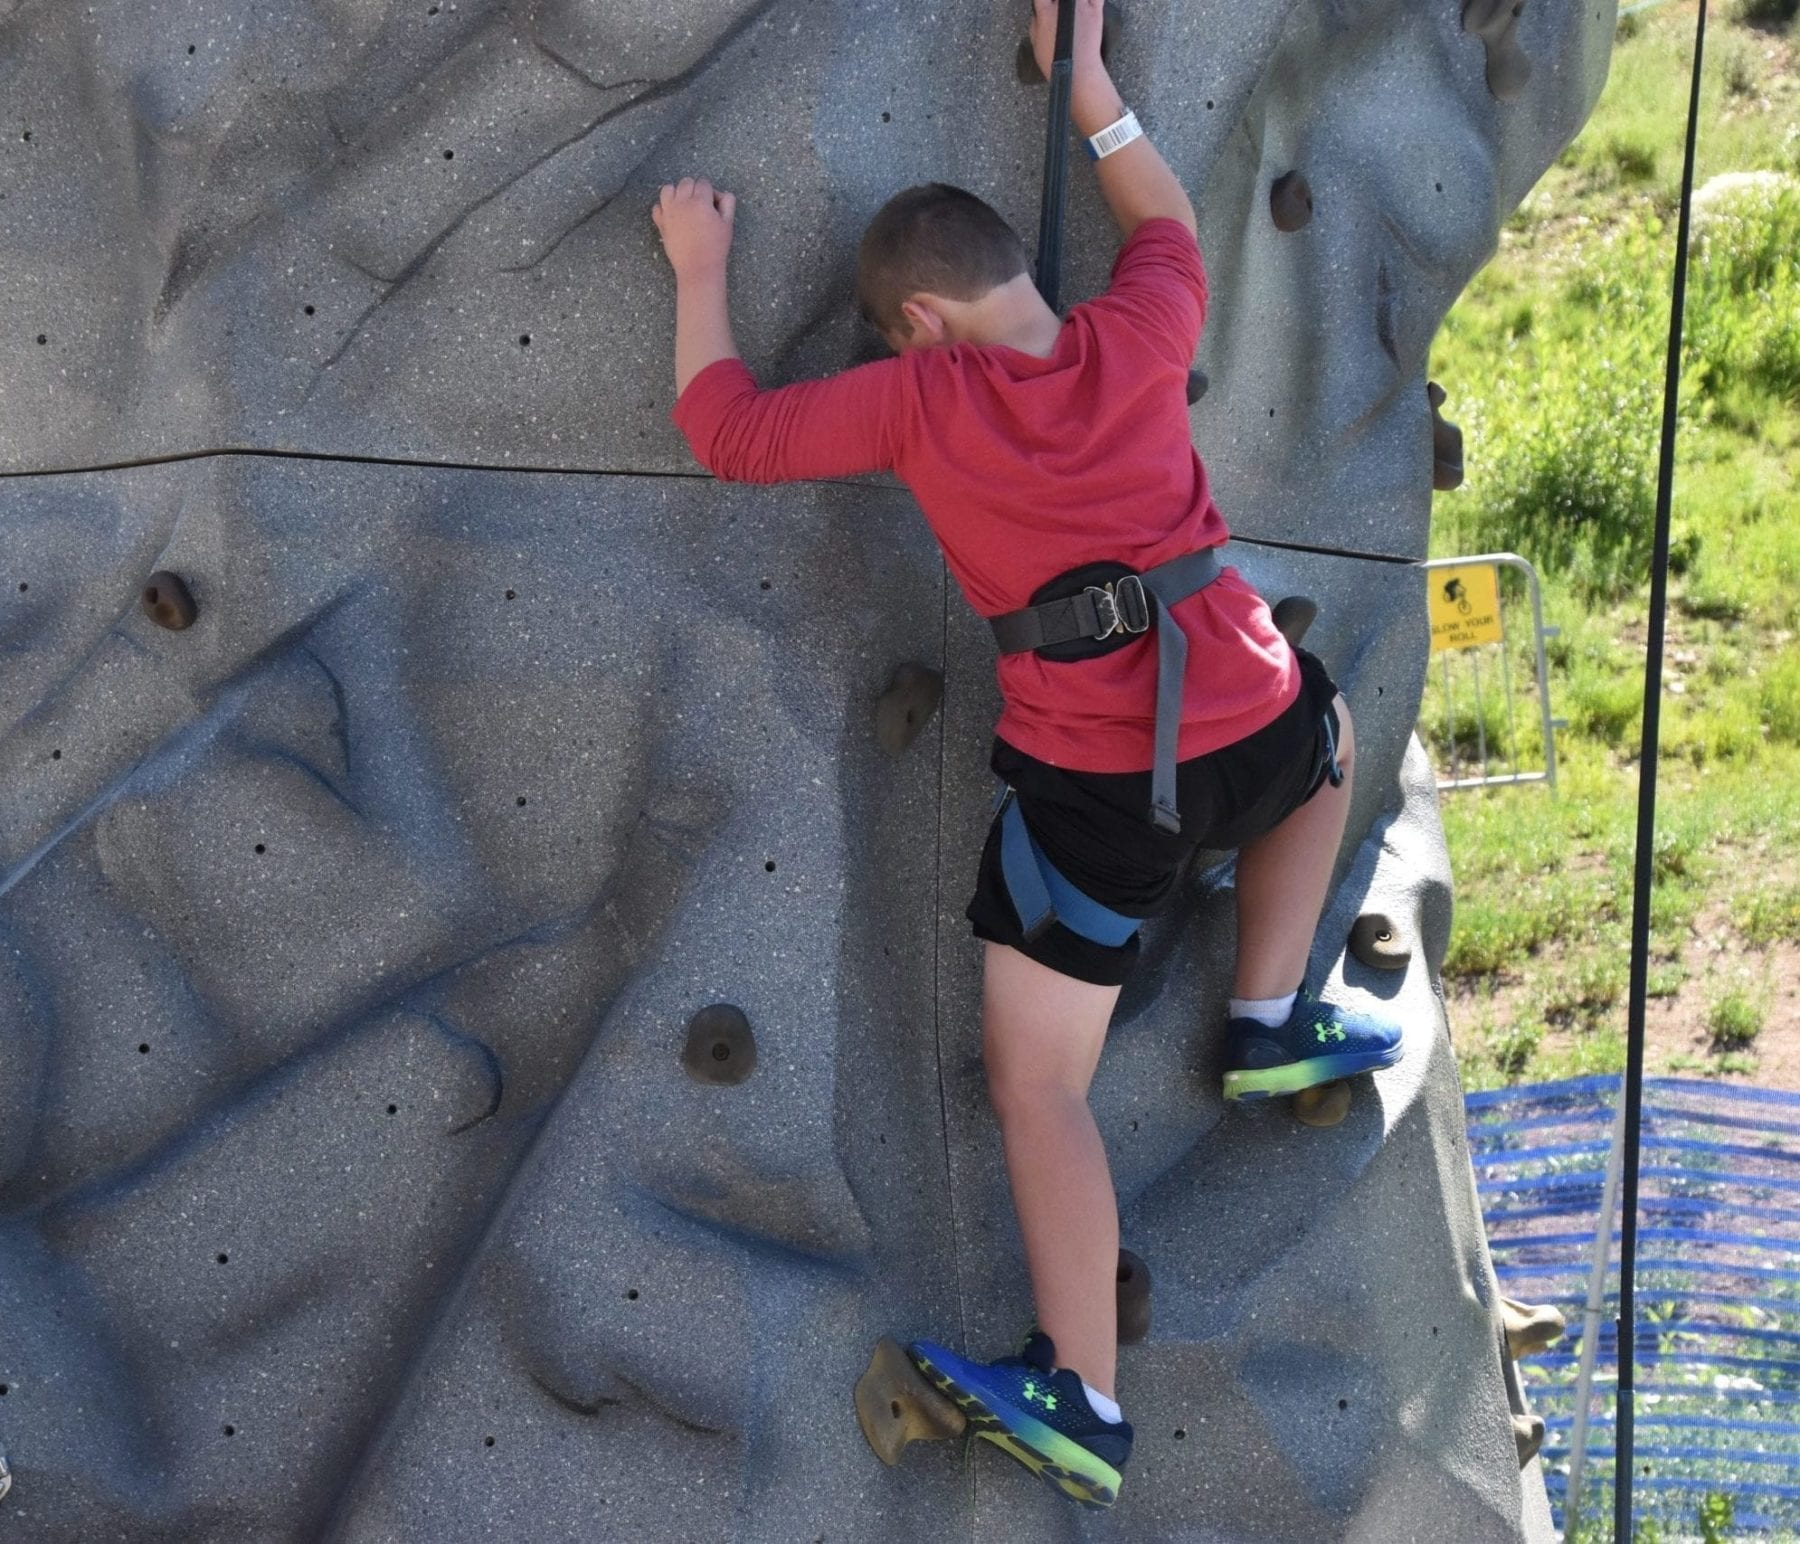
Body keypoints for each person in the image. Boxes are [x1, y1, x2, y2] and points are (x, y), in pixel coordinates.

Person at [650, 0, 1402, 1509]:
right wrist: (1093, 87)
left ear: (916, 322)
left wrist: (702, 269)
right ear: (1006, 278)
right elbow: (1163, 217)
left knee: (1037, 1084)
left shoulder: (926, 398)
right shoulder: (1144, 327)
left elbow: (726, 432)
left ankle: (1083, 1393)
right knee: (1327, 736)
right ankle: (1269, 1010)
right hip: (1254, 724)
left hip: (1100, 800)